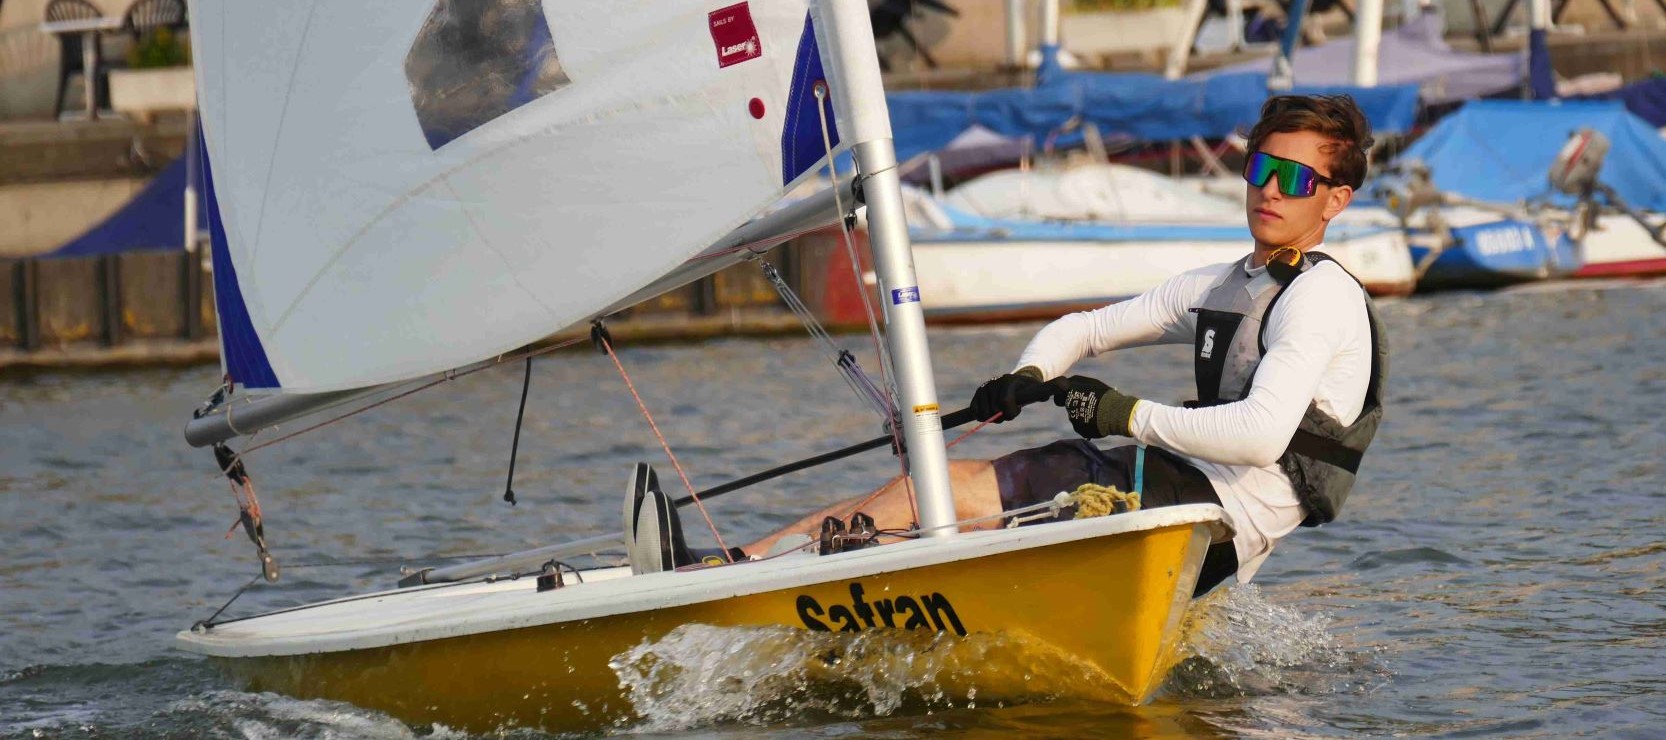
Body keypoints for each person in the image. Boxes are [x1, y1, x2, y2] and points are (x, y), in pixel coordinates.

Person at [626, 94, 1387, 595]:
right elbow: (1086, 330)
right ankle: (734, 572)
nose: (1270, 189)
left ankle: (742, 577)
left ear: (1336, 199)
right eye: (1261, 168)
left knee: (951, 495)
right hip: (1176, 488)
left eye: (1295, 177)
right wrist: (1032, 372)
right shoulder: (1226, 284)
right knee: (940, 488)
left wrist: (1120, 412)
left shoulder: (1321, 296)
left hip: (1211, 518)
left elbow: (1258, 437)